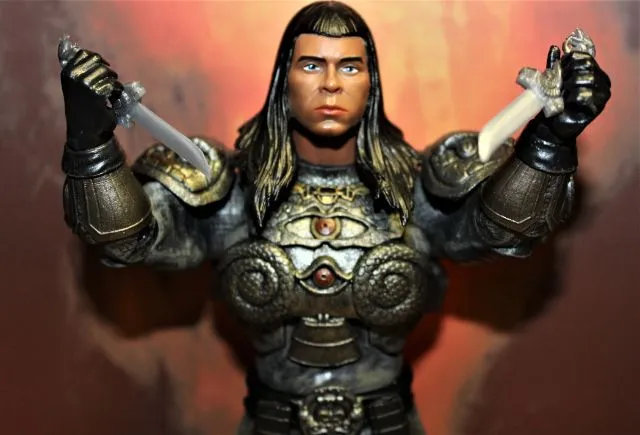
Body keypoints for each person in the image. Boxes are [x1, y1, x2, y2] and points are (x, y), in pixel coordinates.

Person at [58, 1, 611, 434]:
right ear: (284, 79)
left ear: (371, 82)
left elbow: (505, 230)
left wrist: (548, 143)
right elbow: (126, 240)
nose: (330, 84)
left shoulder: (417, 192)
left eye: (349, 66)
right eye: (311, 65)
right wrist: (91, 146)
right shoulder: (231, 193)